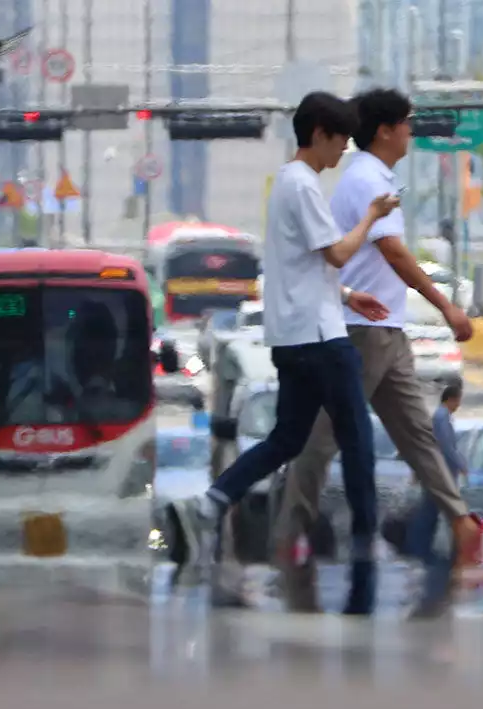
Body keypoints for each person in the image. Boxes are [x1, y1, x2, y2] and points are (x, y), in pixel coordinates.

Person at [279, 87, 483, 612]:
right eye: (407, 122)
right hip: (360, 330)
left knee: (420, 432)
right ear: (384, 130)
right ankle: (289, 537)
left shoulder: (375, 176)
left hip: (385, 331)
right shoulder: (365, 177)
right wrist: (447, 306)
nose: (412, 130)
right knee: (321, 439)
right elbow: (392, 251)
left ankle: (462, 526)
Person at [165, 92, 397, 614]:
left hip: (293, 336)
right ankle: (366, 541)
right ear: (319, 133)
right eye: (339, 141)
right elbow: (338, 251)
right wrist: (372, 215)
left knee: (288, 437)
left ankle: (211, 502)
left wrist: (344, 293)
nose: (342, 152)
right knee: (356, 437)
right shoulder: (301, 184)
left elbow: (303, 267)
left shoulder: (286, 186)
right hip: (320, 340)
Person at [405, 384, 468, 618]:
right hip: (440, 473)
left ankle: (428, 549)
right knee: (432, 511)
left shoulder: (441, 417)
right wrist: (461, 465)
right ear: (451, 399)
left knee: (433, 511)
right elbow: (445, 446)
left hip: (438, 472)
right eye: (458, 401)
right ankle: (424, 549)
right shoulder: (442, 417)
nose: (459, 405)